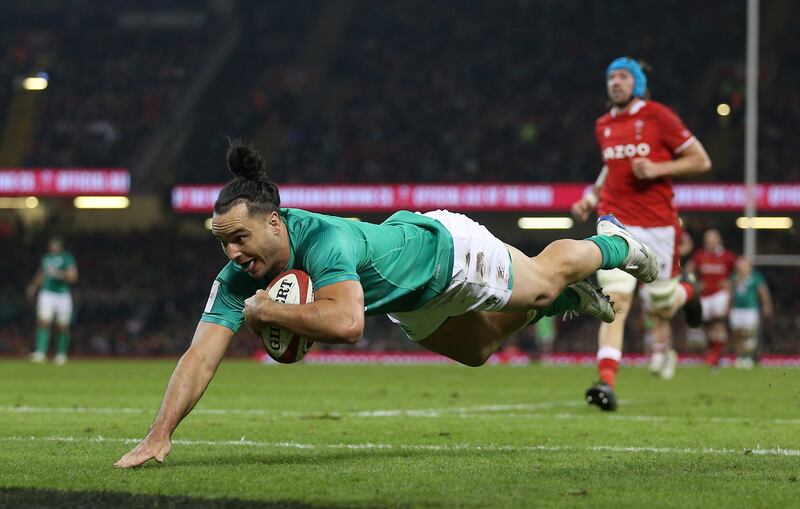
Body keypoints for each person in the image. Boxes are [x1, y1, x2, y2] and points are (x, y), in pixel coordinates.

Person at [115, 142, 659, 467]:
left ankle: (617, 243)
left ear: (275, 222)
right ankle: (570, 299)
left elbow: (349, 324)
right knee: (478, 349)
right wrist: (159, 434)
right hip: (409, 300)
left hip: (446, 255)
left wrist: (268, 312)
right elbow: (201, 353)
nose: (232, 252)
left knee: (539, 278)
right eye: (222, 242)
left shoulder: (323, 240)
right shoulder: (240, 275)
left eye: (239, 238)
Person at [571, 57, 711, 411]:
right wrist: (592, 196)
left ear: (636, 82)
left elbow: (700, 160)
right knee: (617, 302)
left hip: (659, 225)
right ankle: (606, 382)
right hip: (616, 222)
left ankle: (688, 290)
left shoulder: (659, 116)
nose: (615, 82)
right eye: (610, 77)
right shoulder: (602, 125)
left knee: (662, 304)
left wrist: (659, 168)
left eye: (622, 76)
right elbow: (610, 166)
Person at [685, 229, 738, 370]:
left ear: (719, 241)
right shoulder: (700, 255)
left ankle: (716, 357)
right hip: (704, 296)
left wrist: (730, 282)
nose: (710, 243)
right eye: (707, 240)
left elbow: (741, 271)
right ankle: (713, 354)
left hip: (720, 294)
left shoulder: (728, 256)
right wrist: (695, 283)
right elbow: (688, 269)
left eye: (712, 240)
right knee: (708, 327)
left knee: (718, 324)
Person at [26, 237, 78, 365]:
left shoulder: (67, 258)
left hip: (62, 294)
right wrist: (33, 286)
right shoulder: (46, 258)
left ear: (61, 246)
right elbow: (41, 274)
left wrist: (59, 274)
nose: (53, 247)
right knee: (43, 322)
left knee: (63, 325)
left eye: (56, 245)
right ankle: (41, 353)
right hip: (47, 293)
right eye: (52, 245)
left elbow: (73, 277)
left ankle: (61, 355)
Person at [729, 257, 773, 369]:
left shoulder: (756, 277)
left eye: (743, 265)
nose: (741, 267)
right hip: (736, 309)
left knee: (749, 333)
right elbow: (730, 293)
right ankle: (740, 357)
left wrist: (766, 305)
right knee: (737, 333)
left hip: (750, 309)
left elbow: (763, 292)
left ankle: (748, 357)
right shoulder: (734, 277)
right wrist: (728, 306)